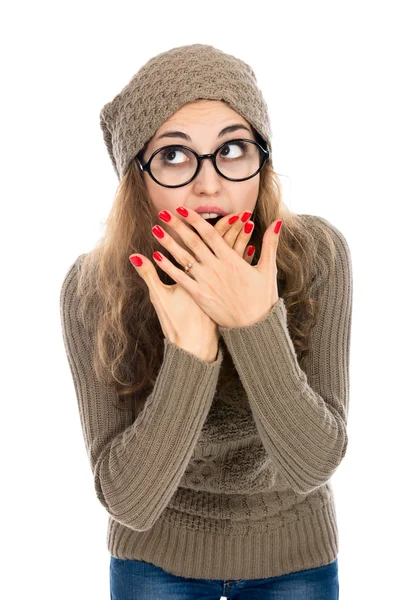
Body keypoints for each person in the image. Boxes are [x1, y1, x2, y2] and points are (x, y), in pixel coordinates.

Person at [59, 43, 352, 599]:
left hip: (294, 558)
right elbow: (130, 500)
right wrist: (191, 348)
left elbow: (314, 464)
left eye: (233, 149)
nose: (209, 183)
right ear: (136, 179)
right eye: (174, 155)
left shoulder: (319, 253)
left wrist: (254, 322)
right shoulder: (91, 287)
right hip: (155, 564)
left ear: (261, 164)